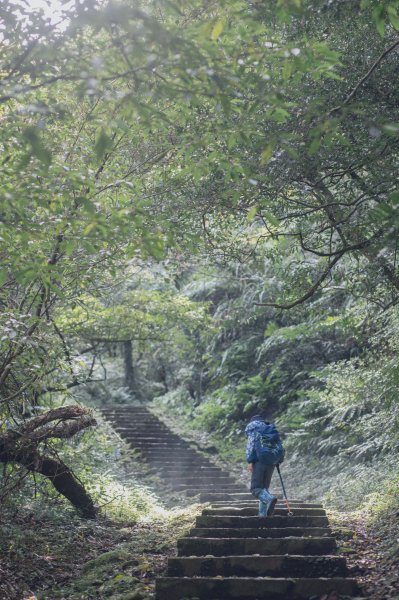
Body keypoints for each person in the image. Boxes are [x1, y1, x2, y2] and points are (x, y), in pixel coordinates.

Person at [245, 414, 285, 517]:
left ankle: (269, 499)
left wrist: (250, 461)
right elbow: (279, 445)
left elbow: (251, 445)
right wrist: (278, 460)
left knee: (255, 488)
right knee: (264, 489)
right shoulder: (270, 428)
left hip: (259, 461)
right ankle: (262, 514)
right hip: (271, 462)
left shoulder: (253, 427)